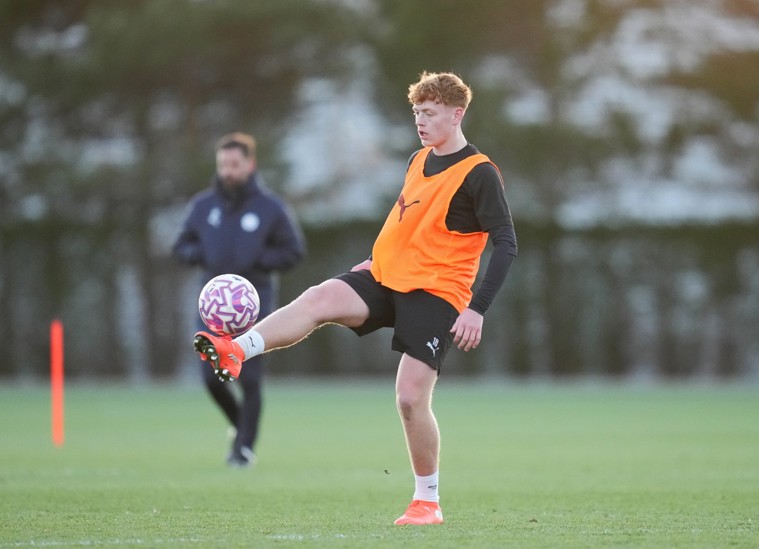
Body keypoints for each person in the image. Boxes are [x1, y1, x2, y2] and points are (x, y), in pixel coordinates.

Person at [194, 72, 517, 524]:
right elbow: (405, 222)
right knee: (319, 298)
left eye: (429, 113)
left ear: (456, 114)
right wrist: (371, 260)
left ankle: (427, 501)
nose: (420, 121)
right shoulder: (418, 159)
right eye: (416, 113)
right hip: (385, 277)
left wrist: (476, 309)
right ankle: (236, 349)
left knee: (409, 399)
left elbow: (506, 243)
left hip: (437, 292)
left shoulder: (479, 173)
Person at [173, 132, 305, 468]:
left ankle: (243, 449)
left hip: (254, 305)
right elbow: (181, 246)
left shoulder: (270, 208)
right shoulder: (203, 206)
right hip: (212, 307)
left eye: (234, 164)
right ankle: (239, 425)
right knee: (210, 376)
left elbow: (293, 251)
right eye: (223, 165)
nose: (228, 171)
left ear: (250, 164)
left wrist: (258, 260)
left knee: (249, 378)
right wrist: (201, 254)